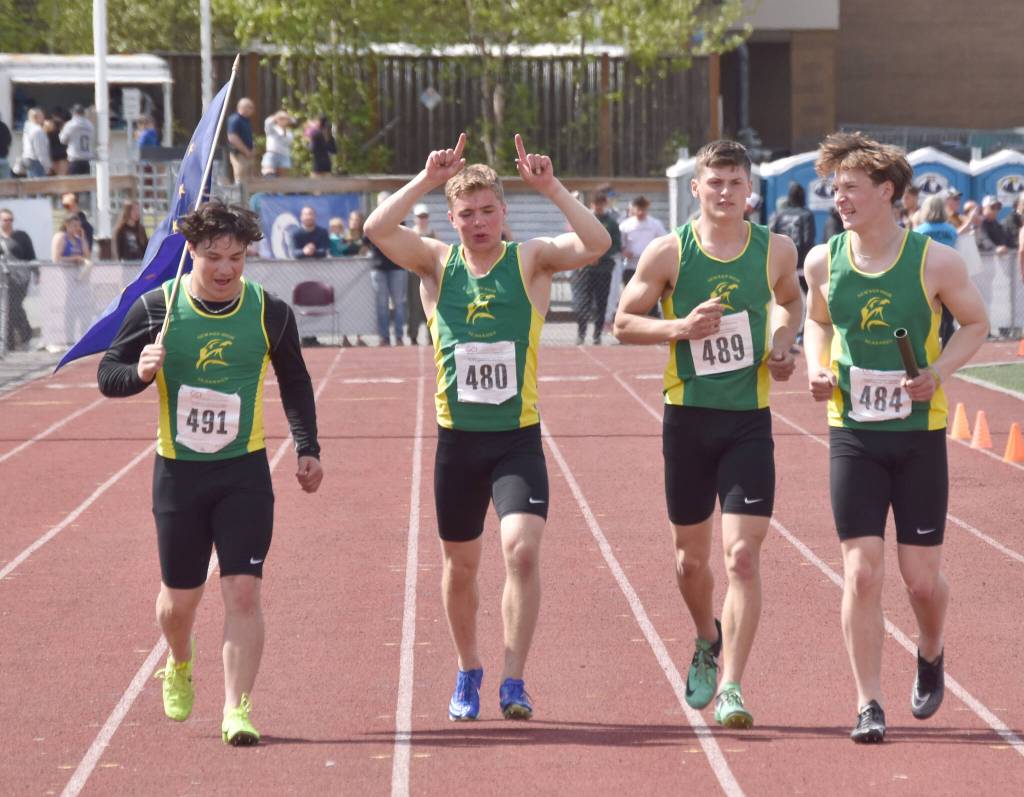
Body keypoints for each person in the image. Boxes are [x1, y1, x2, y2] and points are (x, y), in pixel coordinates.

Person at [364, 132, 610, 721]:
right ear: (451, 219)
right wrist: (424, 180)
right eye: (467, 214)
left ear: (504, 212)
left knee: (522, 552)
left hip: (516, 440)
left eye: (488, 211)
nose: (478, 223)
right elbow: (376, 228)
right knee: (461, 566)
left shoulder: (529, 260)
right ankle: (469, 666)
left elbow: (597, 243)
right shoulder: (435, 263)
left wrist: (551, 188)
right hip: (458, 445)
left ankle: (514, 679)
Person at [96, 200, 323, 746]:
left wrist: (307, 446)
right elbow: (109, 374)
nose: (225, 269)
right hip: (179, 475)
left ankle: (237, 708)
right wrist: (140, 371)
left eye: (237, 259)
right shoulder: (157, 307)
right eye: (214, 257)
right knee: (179, 603)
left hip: (244, 474)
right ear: (190, 252)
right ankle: (178, 660)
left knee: (243, 593)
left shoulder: (270, 312)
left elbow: (295, 380)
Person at [803, 132, 988, 744]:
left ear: (887, 192)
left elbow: (976, 323)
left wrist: (937, 373)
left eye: (851, 188)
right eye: (835, 190)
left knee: (920, 581)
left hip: (917, 436)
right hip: (853, 431)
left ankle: (930, 650)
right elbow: (816, 321)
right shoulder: (823, 260)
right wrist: (817, 366)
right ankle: (867, 702)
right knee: (861, 572)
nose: (840, 199)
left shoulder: (935, 261)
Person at [613, 138, 802, 730]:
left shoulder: (775, 249)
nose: (724, 192)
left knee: (742, 556)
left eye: (734, 183)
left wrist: (781, 341)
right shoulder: (670, 252)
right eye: (714, 182)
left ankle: (732, 686)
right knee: (690, 564)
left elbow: (792, 302)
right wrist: (680, 327)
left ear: (751, 190)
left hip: (748, 420)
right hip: (688, 421)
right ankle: (704, 634)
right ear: (696, 188)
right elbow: (623, 322)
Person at [572, 191, 621, 344]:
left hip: (603, 269)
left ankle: (597, 335)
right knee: (582, 303)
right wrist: (587, 256)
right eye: (596, 204)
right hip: (585, 269)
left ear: (605, 204)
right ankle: (581, 334)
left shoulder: (611, 223)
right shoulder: (584, 219)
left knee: (601, 302)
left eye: (601, 204)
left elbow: (616, 245)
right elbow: (577, 240)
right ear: (591, 205)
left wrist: (600, 255)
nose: (598, 207)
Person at [368, 191, 407, 346]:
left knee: (399, 303)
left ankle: (399, 336)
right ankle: (384, 337)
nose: (383, 204)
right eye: (380, 202)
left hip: (397, 267)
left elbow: (402, 241)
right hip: (378, 268)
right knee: (382, 304)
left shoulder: (399, 220)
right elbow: (366, 241)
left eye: (386, 201)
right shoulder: (371, 221)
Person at [52, 213, 94, 344]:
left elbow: (87, 255)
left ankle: (84, 338)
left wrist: (82, 238)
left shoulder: (78, 239)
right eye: (74, 225)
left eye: (79, 226)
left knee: (83, 310)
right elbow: (56, 258)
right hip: (66, 280)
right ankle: (68, 339)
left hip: (80, 281)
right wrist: (74, 259)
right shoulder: (61, 237)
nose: (77, 228)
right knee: (69, 310)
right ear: (67, 225)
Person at [0, 207, 38, 349]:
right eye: (5, 220)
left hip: (20, 278)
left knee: (14, 306)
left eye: (11, 220)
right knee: (5, 309)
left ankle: (26, 334)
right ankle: (8, 343)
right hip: (3, 279)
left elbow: (31, 255)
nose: (8, 222)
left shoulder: (22, 236)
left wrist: (37, 272)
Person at [619, 195, 667, 286]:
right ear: (633, 209)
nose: (641, 212)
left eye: (643, 209)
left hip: (650, 266)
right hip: (631, 266)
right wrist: (624, 250)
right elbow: (620, 243)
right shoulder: (625, 225)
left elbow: (664, 240)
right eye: (638, 209)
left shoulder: (655, 224)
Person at [407, 202, 435, 345]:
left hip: (429, 274)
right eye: (420, 216)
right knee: (415, 305)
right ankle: (413, 335)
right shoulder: (410, 233)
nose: (422, 219)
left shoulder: (433, 233)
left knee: (431, 304)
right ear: (415, 218)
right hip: (414, 274)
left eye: (424, 216)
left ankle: (432, 336)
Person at [226, 98, 256, 184]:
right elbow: (232, 137)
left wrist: (252, 148)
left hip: (248, 154)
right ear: (242, 107)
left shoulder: (246, 120)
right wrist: (245, 151)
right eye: (250, 107)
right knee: (241, 179)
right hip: (239, 154)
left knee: (249, 180)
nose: (252, 110)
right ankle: (240, 197)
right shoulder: (235, 119)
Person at [60, 104, 95, 176]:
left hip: (75, 159)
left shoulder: (70, 124)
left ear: (74, 113)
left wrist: (61, 132)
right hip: (87, 159)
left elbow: (63, 140)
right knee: (86, 184)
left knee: (74, 185)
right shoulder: (89, 125)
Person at [261, 110, 294, 177]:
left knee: (282, 178)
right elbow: (267, 122)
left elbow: (288, 142)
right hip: (271, 154)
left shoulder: (289, 132)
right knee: (268, 173)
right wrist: (277, 116)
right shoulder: (272, 128)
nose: (283, 120)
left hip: (284, 155)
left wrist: (284, 129)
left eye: (285, 119)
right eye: (281, 119)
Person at [21, 107, 50, 177]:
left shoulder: (27, 128)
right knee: (40, 186)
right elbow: (40, 150)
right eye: (42, 116)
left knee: (31, 184)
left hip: (27, 158)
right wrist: (47, 166)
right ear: (36, 118)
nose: (44, 118)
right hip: (35, 161)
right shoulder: (38, 131)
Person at [45, 111, 69, 176]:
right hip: (62, 154)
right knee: (62, 176)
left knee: (53, 176)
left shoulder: (47, 133)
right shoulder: (62, 131)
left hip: (52, 155)